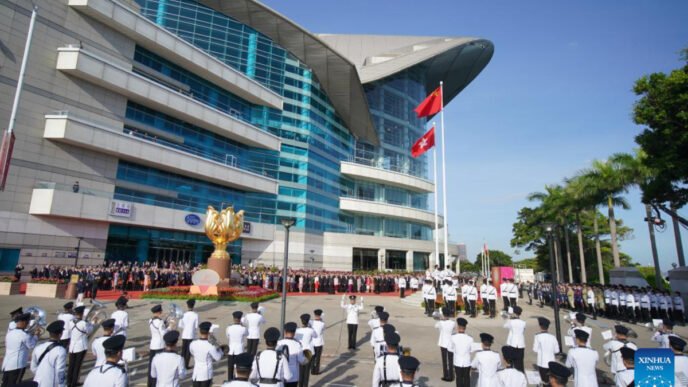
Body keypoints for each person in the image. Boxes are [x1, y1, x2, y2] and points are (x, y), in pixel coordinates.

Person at [2, 312, 37, 386]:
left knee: (5, 384)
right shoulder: (23, 335)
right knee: (15, 384)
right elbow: (31, 345)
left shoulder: (10, 333)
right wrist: (36, 336)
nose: (27, 324)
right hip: (17, 365)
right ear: (24, 322)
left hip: (7, 364)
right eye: (27, 322)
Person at [30, 321, 67, 387]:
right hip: (51, 383)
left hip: (37, 381)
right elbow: (60, 371)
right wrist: (62, 385)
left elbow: (33, 367)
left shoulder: (38, 347)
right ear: (60, 334)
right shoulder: (61, 350)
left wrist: (41, 374)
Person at [190, 321, 223, 387]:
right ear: (208, 332)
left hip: (196, 374)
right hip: (206, 374)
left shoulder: (193, 343)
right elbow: (218, 358)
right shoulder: (210, 346)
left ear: (200, 332)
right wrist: (220, 350)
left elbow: (192, 352)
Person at [67, 305, 93, 387]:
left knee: (71, 365)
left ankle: (68, 382)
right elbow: (89, 331)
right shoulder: (83, 323)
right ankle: (74, 382)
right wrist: (90, 323)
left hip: (72, 346)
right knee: (77, 366)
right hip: (81, 346)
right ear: (82, 313)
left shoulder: (70, 322)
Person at [532, 317, 559, 387]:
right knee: (550, 380)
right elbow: (557, 350)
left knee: (544, 381)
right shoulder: (553, 337)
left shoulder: (538, 336)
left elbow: (535, 349)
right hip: (551, 362)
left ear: (540, 326)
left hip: (542, 362)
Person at [448, 318, 473, 387]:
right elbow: (471, 350)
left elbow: (449, 349)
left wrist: (456, 351)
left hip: (457, 361)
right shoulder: (470, 338)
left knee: (459, 378)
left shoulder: (453, 337)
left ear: (458, 327)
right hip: (466, 362)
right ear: (465, 328)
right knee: (467, 378)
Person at [147, 304, 168, 387]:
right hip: (159, 345)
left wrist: (164, 323)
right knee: (158, 366)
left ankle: (150, 383)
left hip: (153, 345)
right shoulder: (160, 322)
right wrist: (169, 327)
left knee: (151, 366)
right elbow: (163, 334)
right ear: (159, 312)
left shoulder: (150, 320)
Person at [295, 314, 316, 387]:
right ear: (308, 321)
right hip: (308, 352)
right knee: (307, 372)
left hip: (300, 351)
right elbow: (315, 336)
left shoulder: (298, 330)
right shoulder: (311, 330)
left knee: (300, 371)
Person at [435, 307, 455, 382]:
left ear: (443, 314)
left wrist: (440, 319)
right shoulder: (453, 323)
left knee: (444, 360)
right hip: (450, 343)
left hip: (443, 343)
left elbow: (436, 326)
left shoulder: (441, 323)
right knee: (450, 360)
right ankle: (451, 376)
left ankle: (445, 375)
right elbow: (453, 330)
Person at [503, 306, 525, 372]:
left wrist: (508, 316)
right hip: (521, 344)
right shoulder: (523, 322)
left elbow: (504, 326)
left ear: (514, 313)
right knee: (520, 363)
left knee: (511, 362)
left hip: (512, 343)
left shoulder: (511, 322)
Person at [227, 311, 248, 380]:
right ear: (240, 318)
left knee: (230, 368)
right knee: (238, 368)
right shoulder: (243, 328)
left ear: (233, 319)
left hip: (231, 350)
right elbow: (247, 334)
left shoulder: (229, 328)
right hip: (239, 351)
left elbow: (227, 336)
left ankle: (229, 381)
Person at [179, 299, 199, 369]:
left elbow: (180, 325)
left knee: (183, 350)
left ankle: (181, 365)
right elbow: (196, 326)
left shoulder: (183, 314)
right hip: (191, 335)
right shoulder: (195, 315)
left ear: (187, 306)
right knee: (188, 351)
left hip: (184, 334)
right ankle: (186, 365)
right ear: (193, 306)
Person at [309, 309, 325, 375]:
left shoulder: (311, 322)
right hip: (319, 342)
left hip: (312, 342)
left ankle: (312, 370)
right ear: (320, 315)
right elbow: (323, 330)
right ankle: (317, 371)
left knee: (313, 357)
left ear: (315, 315)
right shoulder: (322, 323)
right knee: (318, 358)